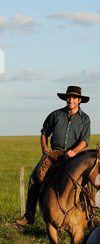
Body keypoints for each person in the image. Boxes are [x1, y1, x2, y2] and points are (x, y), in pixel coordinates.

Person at [16, 85, 91, 226]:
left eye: (74, 97)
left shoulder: (85, 119)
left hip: (73, 155)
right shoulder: (55, 115)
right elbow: (44, 132)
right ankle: (29, 214)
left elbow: (84, 140)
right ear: (66, 99)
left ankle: (91, 216)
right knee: (35, 178)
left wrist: (75, 151)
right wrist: (45, 150)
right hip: (54, 154)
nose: (71, 100)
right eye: (69, 97)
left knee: (87, 180)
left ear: (79, 100)